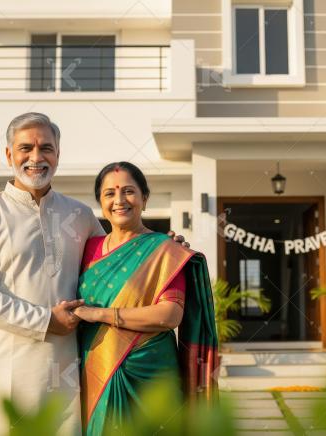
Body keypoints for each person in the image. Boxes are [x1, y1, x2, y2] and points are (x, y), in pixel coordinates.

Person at [0, 113, 186, 435]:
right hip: (5, 371)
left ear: (58, 154)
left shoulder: (78, 214)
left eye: (46, 148)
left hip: (69, 375)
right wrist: (45, 319)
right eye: (25, 148)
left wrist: (162, 247)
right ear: (9, 155)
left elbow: (119, 256)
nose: (36, 157)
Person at [72, 161, 219, 435]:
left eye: (128, 191)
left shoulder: (165, 249)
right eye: (109, 194)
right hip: (97, 370)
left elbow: (170, 315)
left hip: (151, 371)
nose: (119, 200)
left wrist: (101, 314)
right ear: (100, 202)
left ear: (144, 198)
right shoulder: (85, 249)